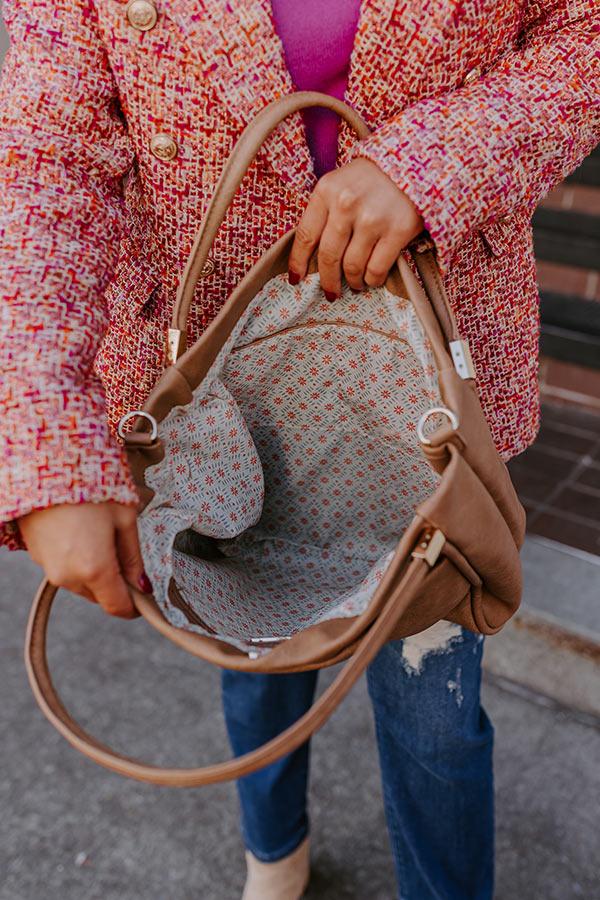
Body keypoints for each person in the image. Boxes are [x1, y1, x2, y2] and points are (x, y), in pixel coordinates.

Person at [0, 1, 597, 897]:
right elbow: (47, 159)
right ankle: (273, 852)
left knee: (435, 718)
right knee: (252, 658)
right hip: (215, 381)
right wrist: (44, 434)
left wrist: (438, 163)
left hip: (424, 376)